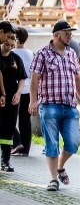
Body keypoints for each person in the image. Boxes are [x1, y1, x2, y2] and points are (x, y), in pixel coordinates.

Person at [28, 20, 80, 191]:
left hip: (70, 106)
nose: (70, 36)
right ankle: (54, 179)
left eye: (71, 33)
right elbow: (35, 78)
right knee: (52, 144)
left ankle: (60, 166)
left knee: (73, 143)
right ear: (56, 35)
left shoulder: (71, 54)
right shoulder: (42, 54)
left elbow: (78, 79)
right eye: (67, 32)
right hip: (49, 106)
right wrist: (33, 101)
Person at [1, 23, 26, 172]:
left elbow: (22, 78)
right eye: (7, 44)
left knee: (8, 129)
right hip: (0, 97)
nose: (9, 47)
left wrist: (18, 93)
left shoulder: (16, 59)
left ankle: (5, 160)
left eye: (12, 45)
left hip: (12, 99)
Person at [11, 27, 34, 156]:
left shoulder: (12, 53)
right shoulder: (31, 53)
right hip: (28, 90)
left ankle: (17, 141)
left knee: (10, 118)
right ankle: (26, 148)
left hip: (15, 89)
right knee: (25, 120)